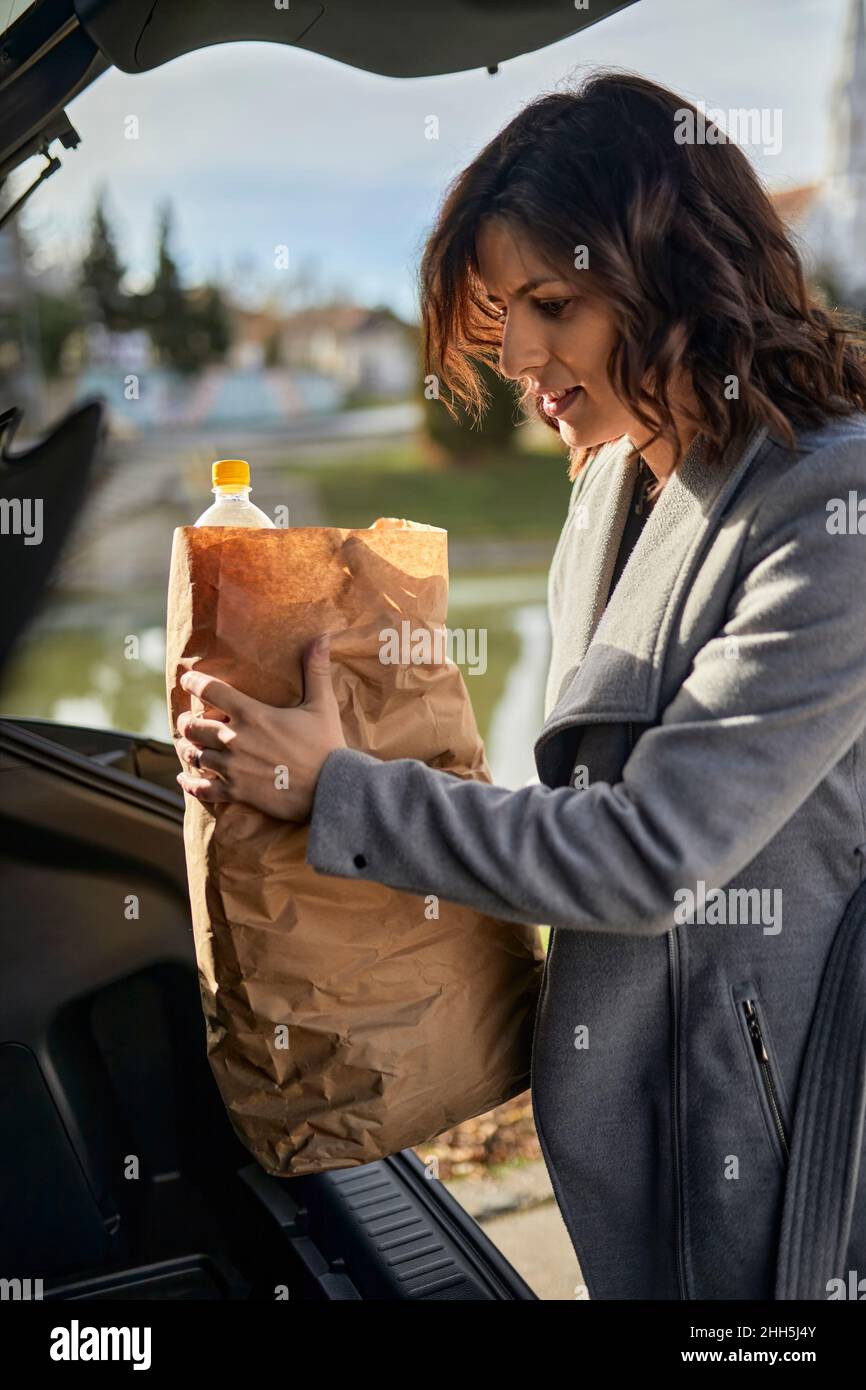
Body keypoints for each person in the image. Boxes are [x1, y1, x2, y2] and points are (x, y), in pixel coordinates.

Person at [174, 71, 866, 1301]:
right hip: (629, 1115)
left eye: (552, 302)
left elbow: (649, 852)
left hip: (782, 1140)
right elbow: (573, 795)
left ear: (682, 271)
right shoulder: (611, 479)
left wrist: (335, 789)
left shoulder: (830, 510)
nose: (518, 356)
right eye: (501, 312)